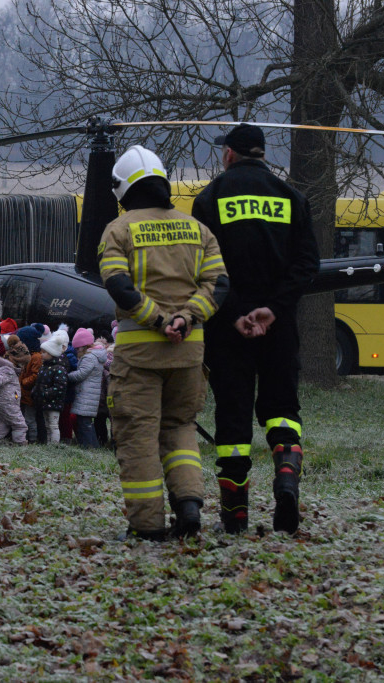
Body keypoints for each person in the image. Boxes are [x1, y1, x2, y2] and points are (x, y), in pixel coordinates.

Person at [192, 124, 320, 535]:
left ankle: (236, 515)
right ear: (262, 154)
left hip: (229, 330)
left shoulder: (210, 198)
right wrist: (273, 309)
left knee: (233, 418)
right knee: (283, 408)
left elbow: (205, 270)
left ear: (229, 154)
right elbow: (307, 266)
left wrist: (235, 314)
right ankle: (286, 481)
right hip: (278, 326)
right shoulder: (292, 198)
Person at [99, 144, 229, 539]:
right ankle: (189, 507)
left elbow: (118, 286)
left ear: (123, 189)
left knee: (137, 438)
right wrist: (187, 318)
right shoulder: (197, 229)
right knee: (180, 429)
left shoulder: (118, 230)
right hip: (188, 356)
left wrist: (158, 320)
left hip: (140, 358)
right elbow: (219, 284)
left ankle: (147, 526)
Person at [68, 327, 106, 449]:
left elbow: (81, 374)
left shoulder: (89, 357)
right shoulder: (95, 356)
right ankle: (87, 445)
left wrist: (65, 376)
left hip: (86, 394)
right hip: (90, 394)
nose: (77, 350)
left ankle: (90, 446)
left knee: (85, 423)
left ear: (84, 346)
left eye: (78, 348)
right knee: (85, 422)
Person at [0, 349, 27, 446]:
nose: (23, 367)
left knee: (2, 426)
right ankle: (20, 442)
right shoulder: (7, 369)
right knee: (20, 424)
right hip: (8, 403)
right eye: (22, 364)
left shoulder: (7, 369)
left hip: (2, 403)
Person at [33, 337, 69, 445]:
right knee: (47, 425)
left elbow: (60, 386)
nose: (42, 354)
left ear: (51, 353)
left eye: (44, 352)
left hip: (54, 402)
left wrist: (45, 393)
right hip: (44, 401)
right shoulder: (44, 367)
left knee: (53, 425)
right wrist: (36, 392)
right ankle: (49, 443)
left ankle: (54, 445)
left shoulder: (59, 368)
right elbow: (39, 382)